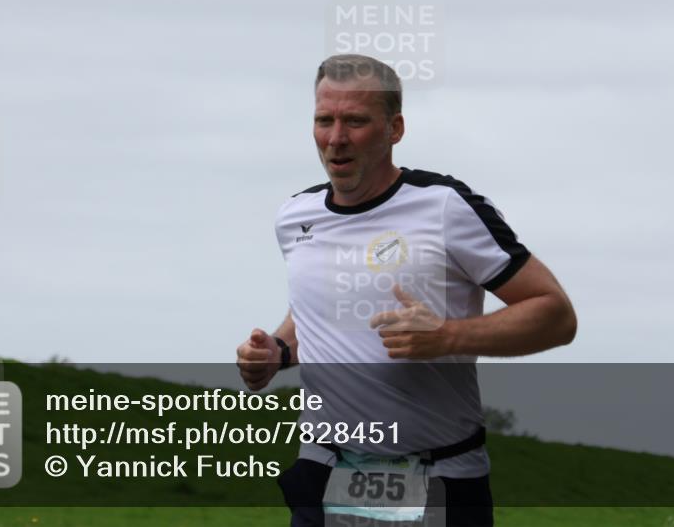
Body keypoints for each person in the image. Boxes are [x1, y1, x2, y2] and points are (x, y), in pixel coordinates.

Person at [236, 54, 577, 527]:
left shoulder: (444, 207)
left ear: (395, 128)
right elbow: (319, 309)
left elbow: (556, 315)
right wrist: (276, 350)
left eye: (355, 121)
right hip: (327, 470)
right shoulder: (296, 217)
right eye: (324, 120)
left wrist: (447, 337)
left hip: (440, 475)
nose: (336, 138)